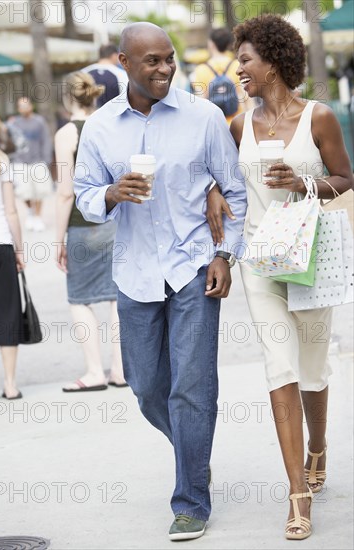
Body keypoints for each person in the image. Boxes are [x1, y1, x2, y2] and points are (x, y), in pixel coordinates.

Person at [74, 22, 247, 541]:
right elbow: (85, 194)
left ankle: (191, 498)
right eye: (151, 61)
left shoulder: (204, 117)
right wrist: (110, 195)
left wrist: (224, 255)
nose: (165, 69)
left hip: (194, 268)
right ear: (123, 63)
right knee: (148, 388)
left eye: (169, 58)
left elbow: (234, 193)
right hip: (135, 273)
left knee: (192, 389)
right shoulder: (101, 128)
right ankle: (192, 456)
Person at [206, 14, 353, 541]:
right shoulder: (238, 125)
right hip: (260, 263)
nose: (238, 69)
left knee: (314, 370)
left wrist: (305, 182)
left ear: (273, 61)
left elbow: (345, 178)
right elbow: (222, 182)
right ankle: (296, 493)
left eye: (246, 59)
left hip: (310, 258)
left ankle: (318, 447)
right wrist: (215, 195)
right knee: (279, 366)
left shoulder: (319, 118)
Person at [54, 72, 127, 391]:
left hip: (82, 226)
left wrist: (58, 240)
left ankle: (95, 371)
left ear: (68, 98)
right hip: (112, 221)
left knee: (79, 299)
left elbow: (65, 192)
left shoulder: (66, 133)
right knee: (115, 299)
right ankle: (121, 371)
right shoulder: (107, 126)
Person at [0, 128, 25, 402]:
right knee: (7, 312)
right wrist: (19, 249)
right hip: (1, 244)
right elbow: (11, 211)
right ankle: (10, 385)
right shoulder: (1, 160)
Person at [190, 27, 253, 125]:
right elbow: (247, 99)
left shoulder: (201, 70)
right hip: (237, 124)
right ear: (228, 44)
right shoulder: (238, 66)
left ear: (211, 44)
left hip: (214, 125)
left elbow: (199, 104)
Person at [9, 97, 53, 232]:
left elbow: (46, 140)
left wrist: (46, 160)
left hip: (37, 161)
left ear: (31, 106)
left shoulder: (39, 121)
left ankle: (38, 217)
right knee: (24, 192)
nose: (24, 108)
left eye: (26, 105)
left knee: (40, 191)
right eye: (20, 106)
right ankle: (30, 212)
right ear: (18, 109)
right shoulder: (14, 123)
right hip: (20, 162)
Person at [82, 43, 128, 108]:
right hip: (113, 116)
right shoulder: (122, 74)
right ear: (114, 56)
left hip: (87, 116)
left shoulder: (83, 72)